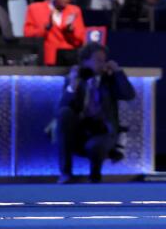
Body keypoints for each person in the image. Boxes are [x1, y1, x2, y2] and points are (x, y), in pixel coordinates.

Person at [55, 42, 135, 183]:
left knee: (96, 146)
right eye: (98, 60)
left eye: (104, 60)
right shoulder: (76, 78)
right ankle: (65, 173)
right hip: (80, 131)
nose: (102, 63)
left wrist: (117, 72)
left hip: (102, 131)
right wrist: (73, 85)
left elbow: (129, 95)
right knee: (64, 113)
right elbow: (62, 107)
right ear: (85, 61)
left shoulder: (109, 80)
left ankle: (95, 177)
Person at [23, 0, 86, 65]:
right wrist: (45, 28)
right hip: (45, 60)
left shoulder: (74, 11)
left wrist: (70, 30)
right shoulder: (34, 9)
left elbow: (80, 41)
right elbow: (28, 35)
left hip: (68, 61)